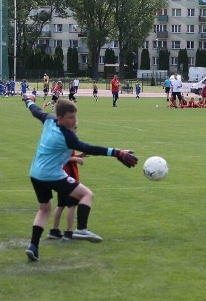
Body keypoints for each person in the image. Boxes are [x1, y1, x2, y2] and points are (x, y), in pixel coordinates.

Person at [23, 96, 137, 262]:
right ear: (60, 118)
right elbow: (88, 148)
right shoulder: (67, 137)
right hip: (53, 175)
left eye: (75, 117)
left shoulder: (48, 120)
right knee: (87, 195)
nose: (74, 121)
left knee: (44, 209)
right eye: (70, 118)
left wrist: (28, 100)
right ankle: (81, 229)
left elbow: (36, 110)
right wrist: (117, 152)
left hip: (35, 174)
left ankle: (33, 246)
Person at [48, 147, 86, 241]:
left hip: (61, 178)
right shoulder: (66, 140)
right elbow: (60, 157)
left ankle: (54, 230)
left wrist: (78, 155)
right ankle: (69, 232)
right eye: (74, 130)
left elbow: (65, 156)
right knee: (72, 205)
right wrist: (76, 159)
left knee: (61, 205)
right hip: (68, 178)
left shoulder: (62, 139)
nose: (75, 132)